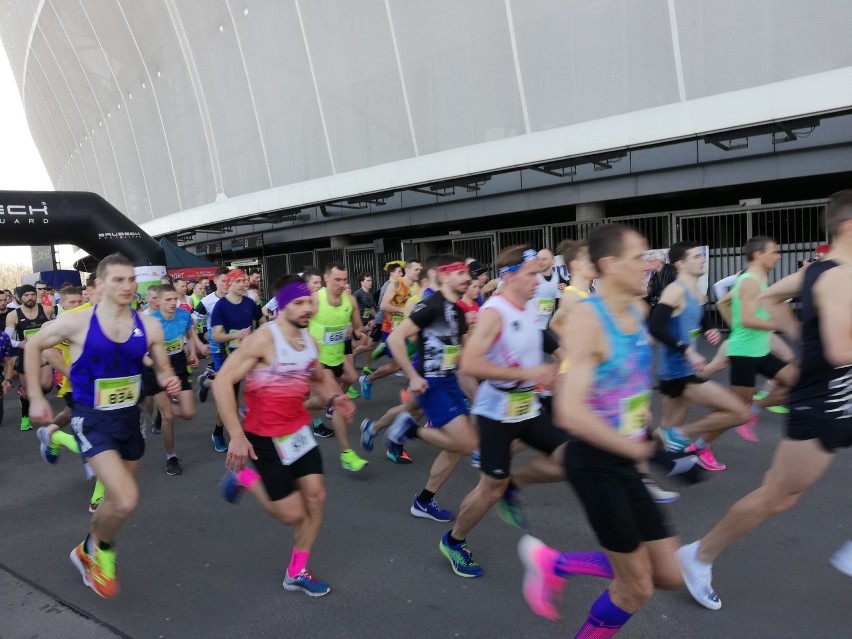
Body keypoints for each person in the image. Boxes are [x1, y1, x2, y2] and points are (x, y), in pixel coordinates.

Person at [677, 189, 852, 609]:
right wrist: (801, 339)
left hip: (836, 395)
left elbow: (771, 299)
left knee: (780, 493)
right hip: (824, 400)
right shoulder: (839, 276)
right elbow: (840, 351)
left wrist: (795, 333)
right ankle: (698, 556)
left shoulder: (819, 272)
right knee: (779, 495)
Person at [518, 224, 683, 637]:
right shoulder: (588, 317)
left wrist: (645, 425)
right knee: (635, 588)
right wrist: (641, 452)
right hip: (595, 464)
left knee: (669, 574)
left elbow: (627, 385)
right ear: (609, 265)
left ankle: (556, 563)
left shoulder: (639, 311)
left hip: (626, 455)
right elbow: (570, 413)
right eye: (639, 258)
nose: (649, 265)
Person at [25, 253, 180, 599]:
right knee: (126, 499)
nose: (127, 286)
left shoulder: (148, 325)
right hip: (90, 416)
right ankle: (102, 553)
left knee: (114, 499)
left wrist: (168, 379)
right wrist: (36, 397)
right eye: (118, 280)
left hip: (129, 416)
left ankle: (86, 549)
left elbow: (164, 366)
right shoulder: (78, 323)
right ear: (100, 284)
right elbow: (34, 345)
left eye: (131, 279)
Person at [215, 275, 356, 596]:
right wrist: (236, 435)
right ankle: (247, 479)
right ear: (281, 307)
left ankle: (296, 571)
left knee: (317, 498)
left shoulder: (309, 341)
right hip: (263, 437)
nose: (308, 309)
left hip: (298, 432)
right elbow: (223, 381)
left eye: (310, 302)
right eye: (299, 303)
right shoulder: (263, 340)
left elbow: (319, 377)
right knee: (290, 514)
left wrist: (335, 397)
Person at [446, 246, 566, 578]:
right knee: (490, 488)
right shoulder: (494, 312)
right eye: (531, 274)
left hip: (528, 407)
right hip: (496, 412)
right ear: (509, 276)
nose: (537, 280)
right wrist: (528, 374)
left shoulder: (526, 306)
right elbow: (469, 363)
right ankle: (454, 541)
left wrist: (560, 356)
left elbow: (539, 335)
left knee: (573, 458)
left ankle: (513, 482)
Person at [384, 255, 478, 528]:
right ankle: (410, 429)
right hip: (431, 383)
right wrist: (412, 375)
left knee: (455, 450)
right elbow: (396, 338)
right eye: (461, 273)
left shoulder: (458, 311)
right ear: (443, 275)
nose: (468, 278)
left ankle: (423, 501)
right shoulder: (431, 304)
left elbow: (459, 356)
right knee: (467, 444)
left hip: (449, 382)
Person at [649, 242, 752, 471]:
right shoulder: (675, 290)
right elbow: (655, 326)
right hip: (678, 371)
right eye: (696, 257)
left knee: (665, 431)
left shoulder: (697, 293)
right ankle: (684, 437)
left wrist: (709, 329)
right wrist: (687, 350)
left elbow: (699, 318)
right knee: (739, 412)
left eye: (701, 256)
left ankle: (631, 459)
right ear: (680, 263)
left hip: (685, 369)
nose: (702, 259)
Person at [722, 236, 799, 441]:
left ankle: (756, 407)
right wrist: (780, 325)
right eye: (773, 252)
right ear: (758, 254)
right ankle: (700, 444)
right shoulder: (749, 282)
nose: (778, 256)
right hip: (744, 352)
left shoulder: (758, 280)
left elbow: (727, 304)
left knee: (799, 382)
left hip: (761, 349)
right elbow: (748, 319)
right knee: (737, 412)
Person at [306, 262, 369, 471]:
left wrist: (360, 332)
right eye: (337, 280)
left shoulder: (349, 301)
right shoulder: (315, 301)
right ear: (326, 279)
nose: (342, 284)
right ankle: (347, 454)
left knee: (351, 379)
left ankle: (293, 409)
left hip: (337, 358)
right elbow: (294, 325)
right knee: (339, 401)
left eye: (344, 279)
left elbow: (357, 325)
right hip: (318, 362)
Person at [209, 269, 263, 452]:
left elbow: (262, 320)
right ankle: (218, 432)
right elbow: (216, 336)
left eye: (245, 281)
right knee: (229, 401)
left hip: (250, 355)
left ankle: (257, 431)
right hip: (229, 357)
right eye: (239, 281)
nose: (243, 284)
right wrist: (237, 335)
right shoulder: (221, 306)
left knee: (259, 389)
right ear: (229, 283)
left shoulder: (250, 302)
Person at [148, 284, 198, 475]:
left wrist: (192, 351)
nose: (172, 303)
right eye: (167, 300)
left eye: (174, 299)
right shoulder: (151, 322)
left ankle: (162, 411)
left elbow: (189, 334)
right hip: (155, 367)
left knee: (189, 412)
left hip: (178, 363)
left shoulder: (183, 315)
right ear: (158, 301)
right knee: (169, 417)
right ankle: (171, 457)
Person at [359, 259, 423, 399]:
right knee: (396, 366)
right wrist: (404, 310)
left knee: (411, 361)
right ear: (407, 270)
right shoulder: (396, 283)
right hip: (391, 329)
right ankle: (368, 379)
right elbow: (383, 306)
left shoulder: (418, 287)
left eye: (420, 269)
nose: (419, 272)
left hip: (407, 330)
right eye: (416, 269)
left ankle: (412, 394)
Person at [5, 283, 54, 430]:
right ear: (20, 298)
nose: (30, 297)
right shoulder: (13, 315)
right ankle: (25, 415)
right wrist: (18, 343)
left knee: (46, 384)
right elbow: (6, 338)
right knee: (27, 393)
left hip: (44, 353)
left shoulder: (47, 310)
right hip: (25, 355)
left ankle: (37, 399)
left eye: (32, 294)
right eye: (26, 295)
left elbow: (56, 327)